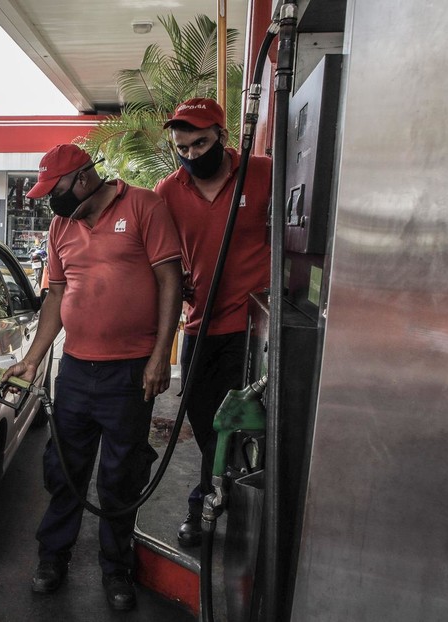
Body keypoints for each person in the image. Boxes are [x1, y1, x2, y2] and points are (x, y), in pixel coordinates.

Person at [3, 143, 182, 611]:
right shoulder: (61, 225)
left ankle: (116, 567)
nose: (50, 201)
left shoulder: (144, 206)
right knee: (64, 469)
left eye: (55, 189)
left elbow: (170, 282)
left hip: (130, 371)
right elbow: (55, 298)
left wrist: (160, 356)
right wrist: (34, 357)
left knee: (121, 475)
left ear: (82, 177)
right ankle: (52, 557)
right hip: (77, 369)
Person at [153, 98, 271, 547]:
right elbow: (162, 256)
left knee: (244, 426)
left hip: (253, 329)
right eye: (183, 147)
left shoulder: (261, 173)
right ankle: (219, 494)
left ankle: (205, 507)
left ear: (223, 135)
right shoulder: (168, 190)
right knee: (207, 425)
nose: (192, 155)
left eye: (201, 143)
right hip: (200, 327)